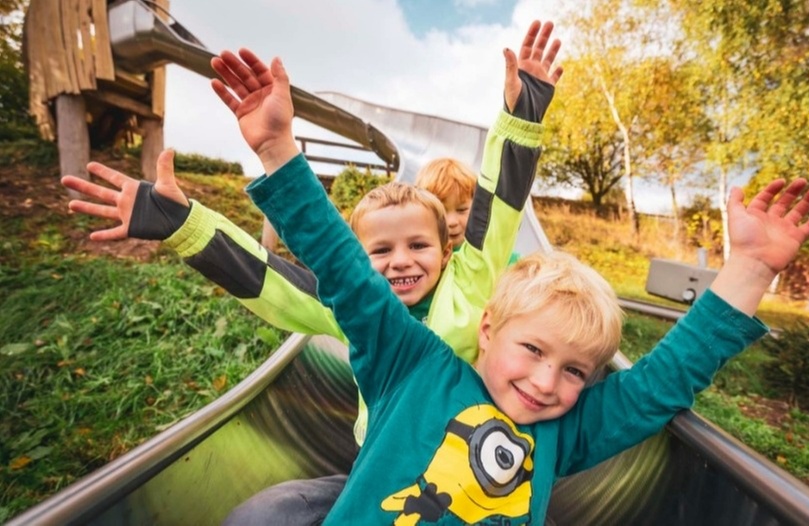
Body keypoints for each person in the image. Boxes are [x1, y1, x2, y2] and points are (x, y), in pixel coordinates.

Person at [210, 36, 809, 523]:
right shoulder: (412, 367)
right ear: (486, 328)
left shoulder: (565, 431)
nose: (544, 382)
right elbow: (347, 274)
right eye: (533, 349)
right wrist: (278, 154)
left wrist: (749, 268)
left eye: (575, 371)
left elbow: (662, 383)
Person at [64, 20, 564, 524]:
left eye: (418, 245)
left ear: (446, 248)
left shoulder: (470, 284)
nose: (401, 261)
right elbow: (268, 279)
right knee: (262, 515)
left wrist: (521, 117)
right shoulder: (358, 308)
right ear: (358, 261)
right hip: (380, 474)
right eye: (381, 250)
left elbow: (499, 206)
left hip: (473, 481)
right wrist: (184, 224)